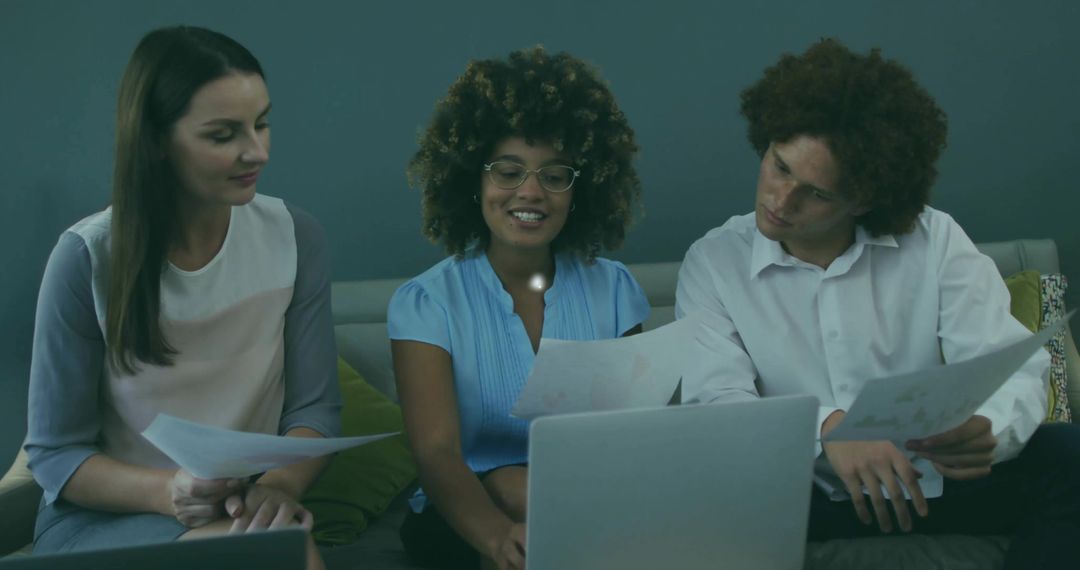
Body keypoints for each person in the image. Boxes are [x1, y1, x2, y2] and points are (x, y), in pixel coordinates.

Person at [675, 38, 1080, 568]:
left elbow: (1005, 364)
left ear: (863, 198)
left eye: (816, 193)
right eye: (779, 166)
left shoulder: (934, 239)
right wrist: (825, 431)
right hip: (799, 498)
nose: (780, 199)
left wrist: (989, 429)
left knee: (1068, 456)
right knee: (681, 494)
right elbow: (716, 403)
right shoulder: (713, 261)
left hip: (934, 485)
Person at [24, 26, 340, 569]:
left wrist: (280, 488)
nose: (256, 151)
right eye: (223, 135)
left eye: (262, 123)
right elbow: (56, 457)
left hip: (239, 511)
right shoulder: (85, 257)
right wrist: (169, 490)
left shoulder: (294, 237)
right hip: (106, 522)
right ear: (155, 141)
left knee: (276, 547)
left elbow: (315, 409)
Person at [388, 47, 650, 570]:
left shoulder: (616, 290)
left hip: (592, 505)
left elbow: (637, 435)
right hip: (463, 516)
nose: (530, 192)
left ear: (582, 189)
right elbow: (437, 454)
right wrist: (498, 538)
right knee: (512, 485)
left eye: (555, 175)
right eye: (508, 171)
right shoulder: (426, 302)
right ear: (473, 180)